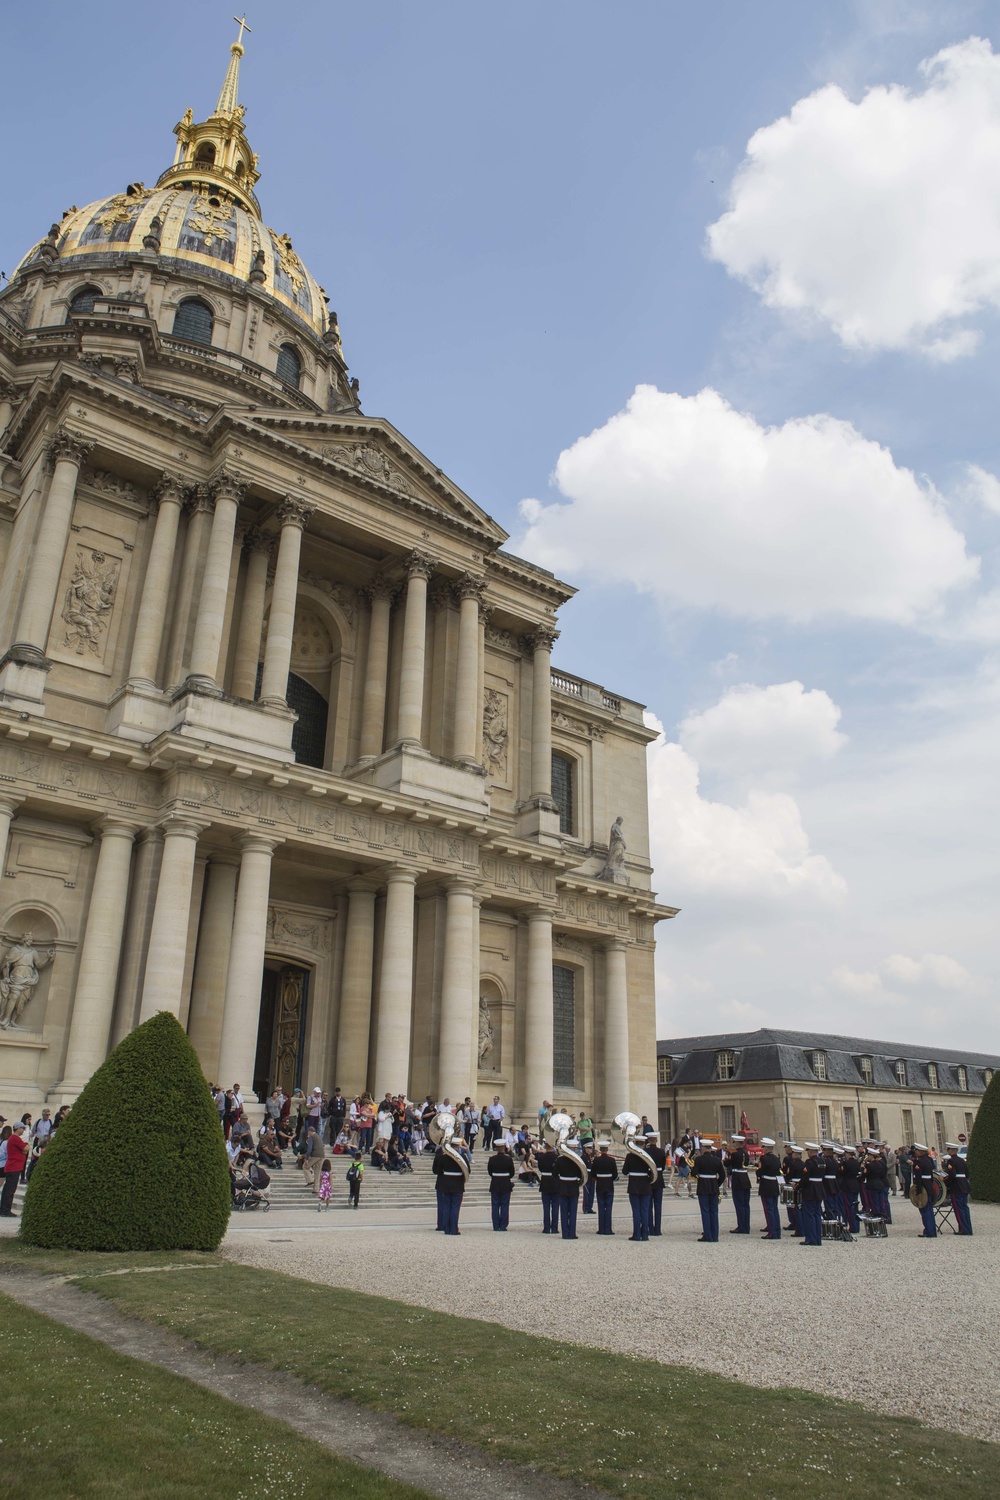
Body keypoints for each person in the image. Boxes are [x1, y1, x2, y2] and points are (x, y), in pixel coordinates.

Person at [693, 1140, 726, 1242]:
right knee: (714, 1211)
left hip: (703, 1185)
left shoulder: (699, 1159)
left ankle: (707, 1235)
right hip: (713, 1185)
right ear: (711, 1148)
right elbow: (723, 1175)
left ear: (703, 1148)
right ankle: (715, 1235)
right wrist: (717, 1184)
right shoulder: (717, 1160)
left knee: (705, 1211)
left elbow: (694, 1173)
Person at [623, 1136, 654, 1241]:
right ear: (644, 1144)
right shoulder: (647, 1156)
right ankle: (645, 1234)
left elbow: (624, 1171)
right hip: (645, 1184)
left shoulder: (630, 1156)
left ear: (635, 1144)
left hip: (634, 1184)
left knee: (636, 1211)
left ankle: (636, 1234)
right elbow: (652, 1170)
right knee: (645, 1210)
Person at [432, 1141, 467, 1235]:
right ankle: (454, 1228)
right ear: (458, 1146)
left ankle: (446, 1228)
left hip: (446, 1183)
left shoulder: (444, 1158)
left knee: (447, 1206)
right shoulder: (462, 1157)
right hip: (458, 1183)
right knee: (455, 1207)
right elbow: (467, 1171)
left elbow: (438, 1170)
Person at [554, 1141, 585, 1240]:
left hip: (563, 1185)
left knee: (563, 1211)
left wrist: (560, 1181)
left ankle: (565, 1233)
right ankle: (572, 1233)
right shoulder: (577, 1160)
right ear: (575, 1148)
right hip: (573, 1186)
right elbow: (581, 1174)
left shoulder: (560, 1160)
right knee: (572, 1211)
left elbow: (554, 1174)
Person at [798, 1144, 826, 1246]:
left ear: (811, 1152)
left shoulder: (809, 1162)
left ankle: (810, 1238)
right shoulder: (822, 1161)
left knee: (809, 1215)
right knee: (817, 1214)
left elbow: (805, 1177)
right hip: (819, 1188)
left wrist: (798, 1186)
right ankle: (818, 1238)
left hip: (811, 1189)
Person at [943, 1144, 972, 1235]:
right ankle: (968, 1228)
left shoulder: (951, 1161)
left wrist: (944, 1180)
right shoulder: (962, 1161)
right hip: (964, 1185)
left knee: (959, 1209)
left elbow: (952, 1175)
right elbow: (967, 1174)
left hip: (957, 1186)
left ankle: (963, 1229)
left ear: (950, 1151)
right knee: (965, 1208)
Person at [756, 1137, 782, 1239]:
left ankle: (772, 1232)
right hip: (774, 1184)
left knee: (769, 1209)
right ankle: (777, 1231)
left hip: (766, 1184)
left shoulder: (764, 1158)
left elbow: (760, 1172)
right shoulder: (776, 1159)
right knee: (775, 1209)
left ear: (766, 1148)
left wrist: (758, 1169)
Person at [590, 1140, 618, 1234]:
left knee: (601, 1207)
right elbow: (615, 1175)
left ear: (601, 1150)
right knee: (609, 1207)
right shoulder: (612, 1160)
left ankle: (601, 1229)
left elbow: (593, 1173)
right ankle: (608, 1229)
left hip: (600, 1184)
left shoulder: (596, 1160)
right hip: (609, 1184)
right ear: (607, 1149)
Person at [910, 1144, 938, 1238]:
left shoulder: (919, 1163)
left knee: (925, 1210)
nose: (916, 1152)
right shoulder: (929, 1160)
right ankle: (932, 1230)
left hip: (923, 1187)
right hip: (929, 1186)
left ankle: (929, 1231)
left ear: (921, 1152)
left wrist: (917, 1192)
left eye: (917, 1151)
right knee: (929, 1210)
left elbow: (918, 1178)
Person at [0, 1123, 28, 1216]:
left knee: (8, 1188)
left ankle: (3, 1209)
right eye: (22, 1128)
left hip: (12, 1166)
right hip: (14, 1167)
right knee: (10, 1189)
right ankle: (5, 1210)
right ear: (18, 1128)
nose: (23, 1130)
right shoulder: (15, 1138)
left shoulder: (12, 1138)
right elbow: (26, 1148)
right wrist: (23, 1150)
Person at [727, 1134, 752, 1235]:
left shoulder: (735, 1154)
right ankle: (746, 1226)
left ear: (737, 1144)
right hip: (745, 1178)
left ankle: (741, 1226)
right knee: (746, 1205)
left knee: (739, 1204)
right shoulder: (746, 1154)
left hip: (737, 1179)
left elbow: (727, 1164)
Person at [487, 1141, 515, 1231]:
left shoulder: (492, 1159)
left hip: (495, 1182)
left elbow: (490, 1172)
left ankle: (495, 1225)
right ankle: (503, 1225)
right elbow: (512, 1173)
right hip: (505, 1183)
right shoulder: (508, 1159)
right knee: (504, 1205)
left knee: (495, 1205)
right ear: (504, 1148)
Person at [536, 1137, 558, 1233]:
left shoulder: (541, 1157)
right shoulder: (557, 1157)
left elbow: (540, 1168)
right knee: (555, 1207)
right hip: (555, 1182)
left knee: (546, 1207)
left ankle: (546, 1227)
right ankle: (554, 1228)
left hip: (545, 1181)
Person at [783, 1144, 805, 1236]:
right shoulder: (803, 1163)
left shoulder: (792, 1164)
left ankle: (799, 1229)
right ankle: (802, 1227)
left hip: (793, 1185)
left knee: (795, 1208)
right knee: (800, 1207)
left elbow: (789, 1175)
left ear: (795, 1155)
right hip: (800, 1185)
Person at [841, 1145, 862, 1234]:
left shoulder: (846, 1163)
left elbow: (843, 1173)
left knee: (849, 1207)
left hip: (847, 1185)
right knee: (854, 1206)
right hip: (855, 1184)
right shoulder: (856, 1162)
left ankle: (852, 1226)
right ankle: (856, 1226)